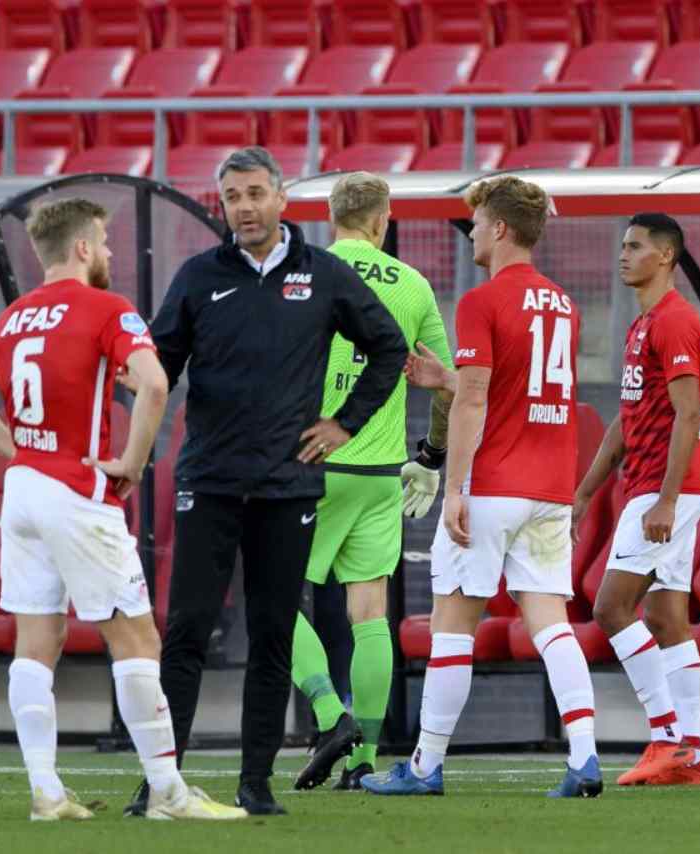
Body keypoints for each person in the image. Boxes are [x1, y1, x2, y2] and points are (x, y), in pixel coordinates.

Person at [0, 198, 246, 822]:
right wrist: (133, 462)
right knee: (135, 635)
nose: (109, 254)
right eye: (104, 243)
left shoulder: (17, 317)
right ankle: (169, 793)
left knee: (37, 638)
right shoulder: (107, 308)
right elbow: (156, 384)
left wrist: (17, 448)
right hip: (78, 491)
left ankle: (46, 793)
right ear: (81, 247)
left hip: (24, 492)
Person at [132, 147, 408, 816]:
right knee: (189, 633)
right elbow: (158, 367)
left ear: (282, 198)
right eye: (232, 196)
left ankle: (255, 785)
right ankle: (163, 782)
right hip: (211, 480)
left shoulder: (325, 274)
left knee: (273, 634)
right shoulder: (199, 277)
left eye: (256, 192)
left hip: (289, 486)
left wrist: (344, 424)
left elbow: (389, 347)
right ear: (221, 205)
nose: (245, 207)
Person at [361, 176, 602, 798]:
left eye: (476, 223)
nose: (470, 233)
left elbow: (475, 401)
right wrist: (446, 376)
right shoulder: (563, 303)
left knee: (451, 625)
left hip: (494, 484)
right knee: (551, 623)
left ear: (499, 229)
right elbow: (514, 391)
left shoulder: (482, 300)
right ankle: (585, 758)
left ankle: (423, 767)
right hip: (550, 487)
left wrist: (458, 485)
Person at [292, 172, 454, 792]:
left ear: (332, 218)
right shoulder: (413, 284)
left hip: (315, 461)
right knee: (370, 614)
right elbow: (442, 379)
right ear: (384, 220)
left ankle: (331, 717)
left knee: (277, 600)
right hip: (383, 472)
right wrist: (432, 457)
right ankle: (363, 757)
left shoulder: (307, 273)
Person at [575, 213, 700, 786]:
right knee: (665, 616)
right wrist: (585, 492)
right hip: (655, 485)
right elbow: (626, 424)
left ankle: (666, 736)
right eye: (622, 245)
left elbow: (689, 413)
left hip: (664, 488)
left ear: (666, 256)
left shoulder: (676, 322)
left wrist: (666, 500)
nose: (623, 255)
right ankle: (692, 753)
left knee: (610, 607)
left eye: (635, 247)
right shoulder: (643, 324)